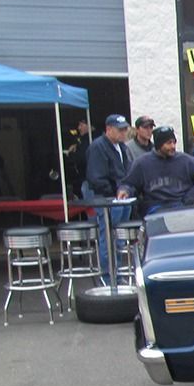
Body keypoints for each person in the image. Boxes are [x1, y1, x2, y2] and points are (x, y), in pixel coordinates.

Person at [82, 113, 133, 280]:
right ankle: (109, 275)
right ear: (109, 129)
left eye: (125, 129)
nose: (124, 132)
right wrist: (116, 190)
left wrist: (126, 188)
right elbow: (95, 177)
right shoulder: (98, 147)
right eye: (120, 130)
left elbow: (126, 171)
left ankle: (115, 273)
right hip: (108, 200)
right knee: (109, 238)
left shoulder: (122, 147)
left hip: (121, 198)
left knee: (117, 239)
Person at [117, 126, 194, 214]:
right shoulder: (142, 163)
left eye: (174, 142)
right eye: (168, 143)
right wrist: (125, 190)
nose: (173, 146)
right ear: (159, 145)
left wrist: (190, 196)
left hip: (181, 204)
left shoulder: (185, 160)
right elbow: (129, 183)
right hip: (155, 207)